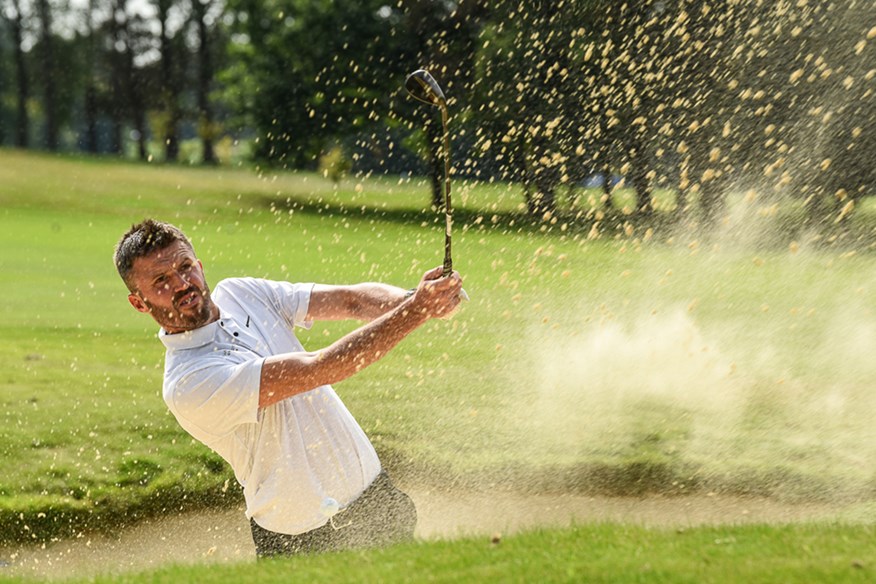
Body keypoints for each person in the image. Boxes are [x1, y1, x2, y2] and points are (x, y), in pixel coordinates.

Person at [113, 219, 464, 557]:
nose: (181, 283)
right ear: (139, 302)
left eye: (185, 266)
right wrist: (417, 311)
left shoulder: (240, 292)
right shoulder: (188, 381)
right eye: (161, 280)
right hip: (306, 541)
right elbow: (321, 368)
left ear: (199, 265)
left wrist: (416, 298)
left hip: (377, 502)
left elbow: (350, 300)